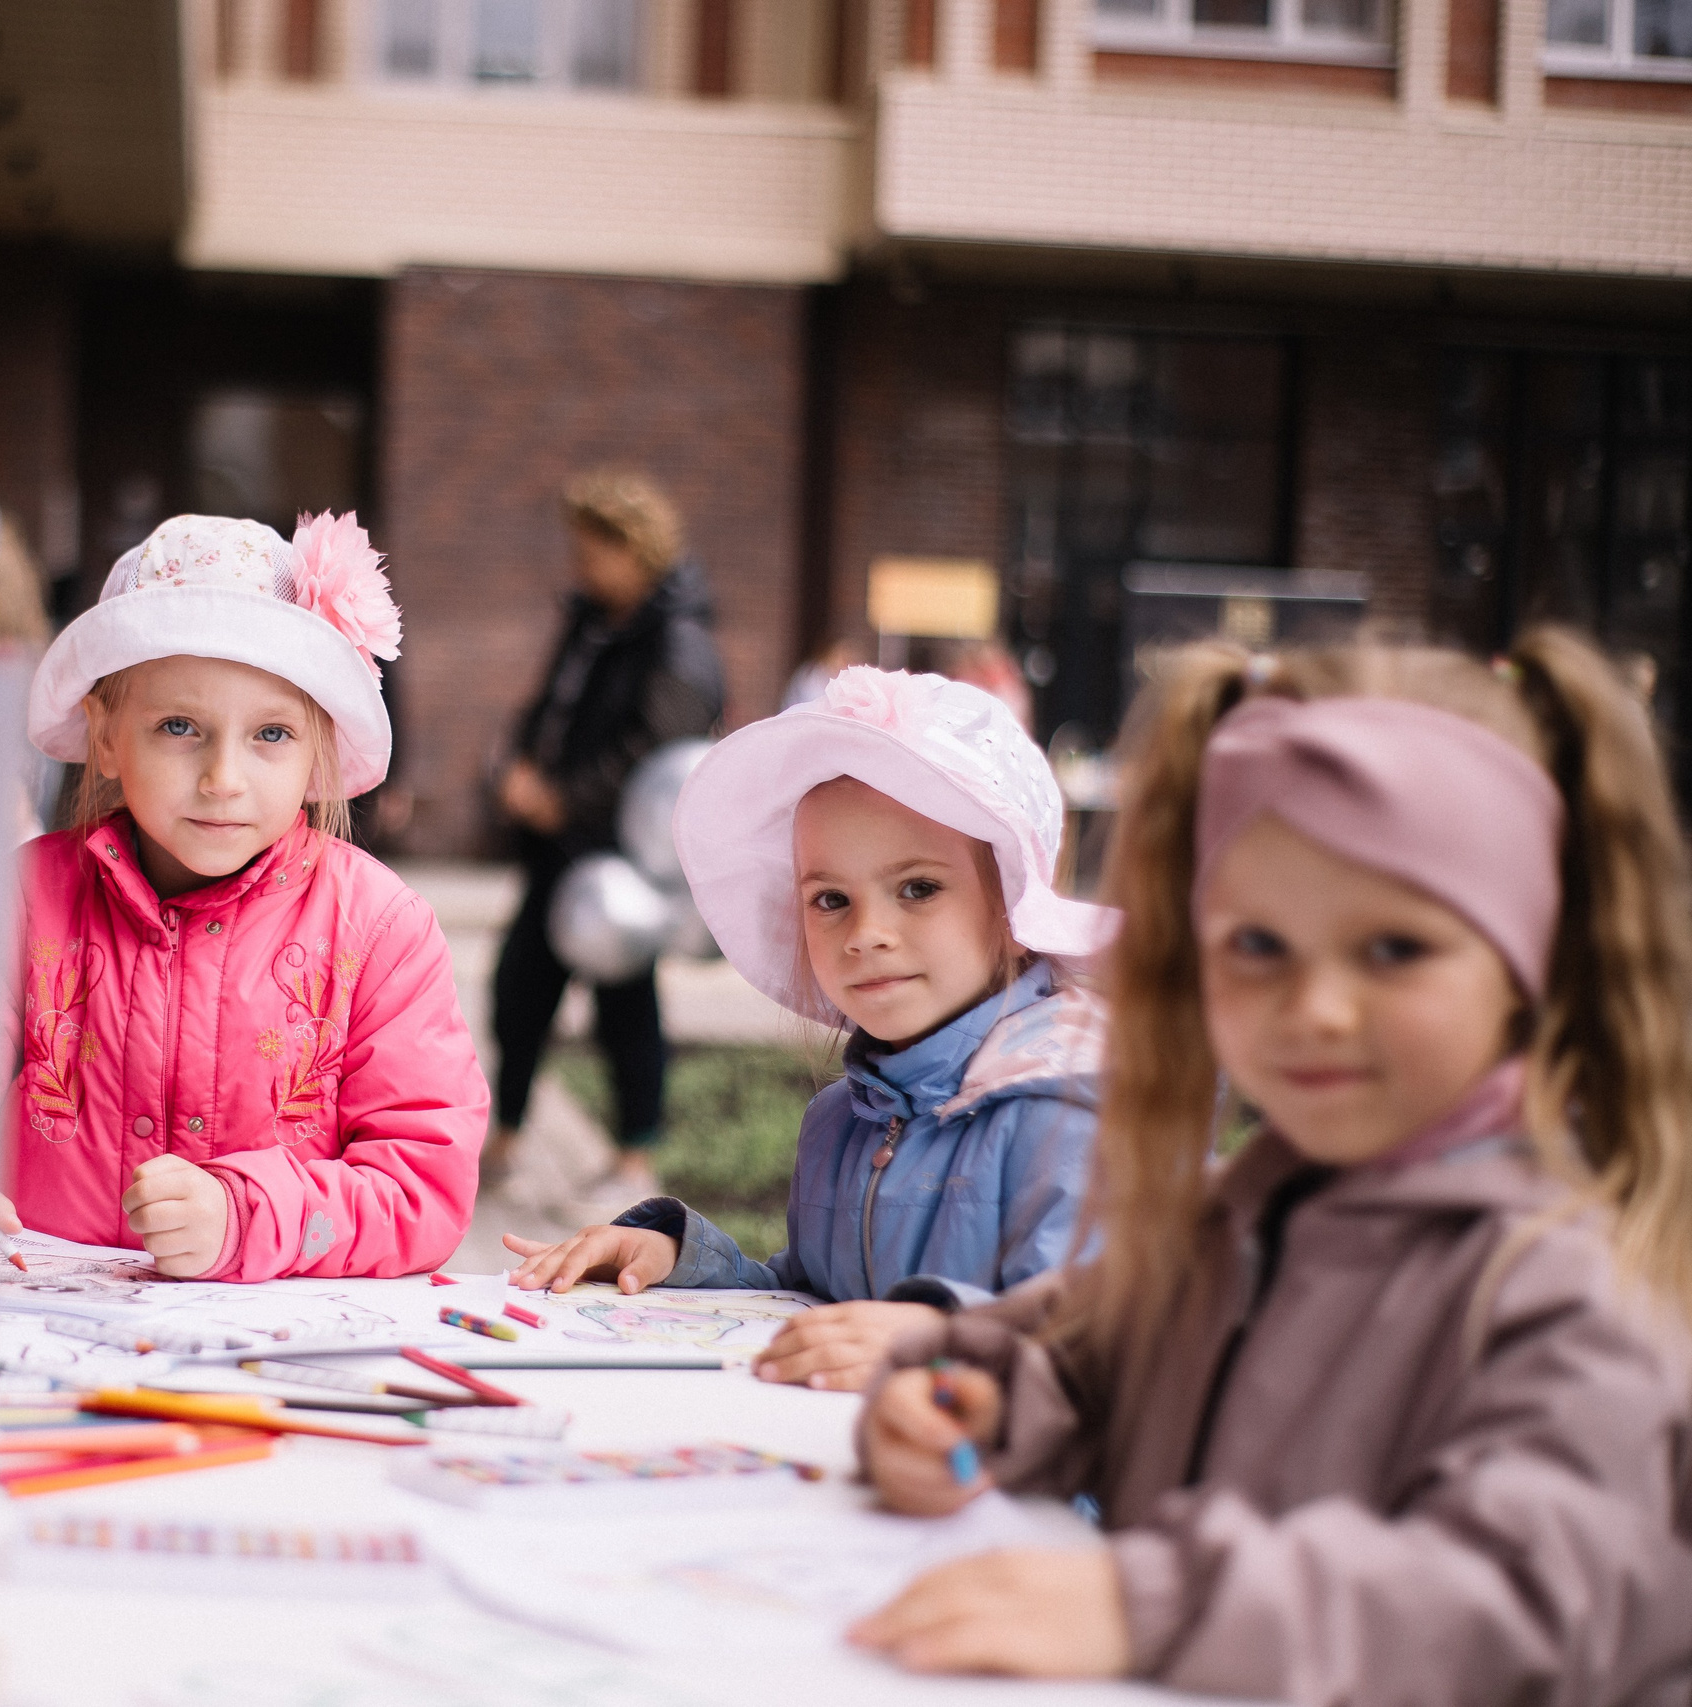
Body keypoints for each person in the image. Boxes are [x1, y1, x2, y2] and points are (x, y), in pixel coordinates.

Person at [850, 630, 1692, 1703]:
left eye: (1393, 949)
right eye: (1257, 945)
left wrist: (1148, 1606)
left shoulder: (1571, 1290)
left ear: (1531, 959)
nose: (1314, 1009)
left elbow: (1518, 1600)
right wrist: (960, 1405)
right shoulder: (1233, 1216)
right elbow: (1073, 1357)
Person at [505, 666, 1116, 1392]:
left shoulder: (1070, 1119)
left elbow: (1105, 1350)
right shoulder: (841, 1120)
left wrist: (945, 1341)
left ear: (1015, 915)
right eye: (831, 898)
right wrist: (675, 1258)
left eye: (917, 888)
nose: (867, 932)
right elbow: (811, 1299)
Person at [2, 513, 488, 1279]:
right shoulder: (20, 904)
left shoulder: (381, 933)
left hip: (268, 1355)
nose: (223, 777)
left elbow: (421, 1184)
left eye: (271, 734)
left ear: (319, 747)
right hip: (41, 1340)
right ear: (104, 735)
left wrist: (244, 1217)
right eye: (179, 725)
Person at [487, 471, 724, 1197]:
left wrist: (562, 799)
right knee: (519, 988)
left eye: (592, 552)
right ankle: (509, 1131)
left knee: (625, 1002)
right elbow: (550, 707)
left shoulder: (679, 643)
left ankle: (635, 1152)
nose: (579, 566)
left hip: (618, 859)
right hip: (556, 847)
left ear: (634, 549)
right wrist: (520, 766)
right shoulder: (590, 620)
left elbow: (654, 749)